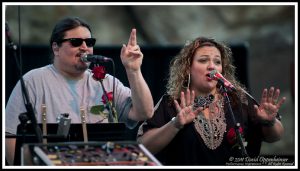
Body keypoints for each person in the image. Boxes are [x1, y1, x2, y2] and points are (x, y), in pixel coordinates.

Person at [5, 16, 154, 165]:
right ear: (56, 48)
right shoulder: (33, 81)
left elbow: (144, 112)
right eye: (76, 42)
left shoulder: (105, 82)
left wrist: (133, 70)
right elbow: (9, 135)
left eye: (89, 42)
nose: (84, 47)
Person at [137, 37, 286, 165]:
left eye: (217, 61)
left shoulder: (239, 98)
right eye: (203, 60)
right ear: (187, 68)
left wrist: (269, 122)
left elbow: (275, 136)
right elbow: (143, 146)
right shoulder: (171, 102)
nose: (212, 66)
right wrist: (175, 123)